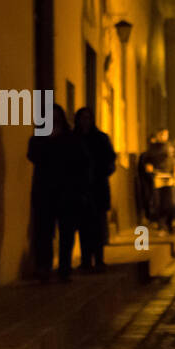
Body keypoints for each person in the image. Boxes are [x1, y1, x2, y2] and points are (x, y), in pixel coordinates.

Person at [27, 104, 93, 282]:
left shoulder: (71, 139)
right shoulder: (39, 138)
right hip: (45, 193)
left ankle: (64, 268)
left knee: (66, 233)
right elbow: (33, 155)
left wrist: (80, 189)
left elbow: (82, 162)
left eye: (56, 118)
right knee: (44, 232)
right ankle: (44, 268)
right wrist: (47, 140)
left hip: (67, 193)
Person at [74, 107, 115, 271]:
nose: (85, 121)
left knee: (98, 225)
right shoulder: (74, 139)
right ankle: (85, 260)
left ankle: (99, 259)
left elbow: (110, 160)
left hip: (98, 187)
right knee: (83, 226)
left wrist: (100, 172)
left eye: (88, 118)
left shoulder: (100, 138)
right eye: (82, 118)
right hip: (80, 189)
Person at [143, 128, 175, 233]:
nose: (164, 137)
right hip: (158, 176)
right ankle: (161, 225)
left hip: (169, 177)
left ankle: (169, 224)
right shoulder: (152, 148)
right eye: (162, 135)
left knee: (170, 202)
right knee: (159, 202)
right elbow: (146, 160)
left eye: (166, 135)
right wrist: (149, 166)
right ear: (158, 135)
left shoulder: (170, 147)